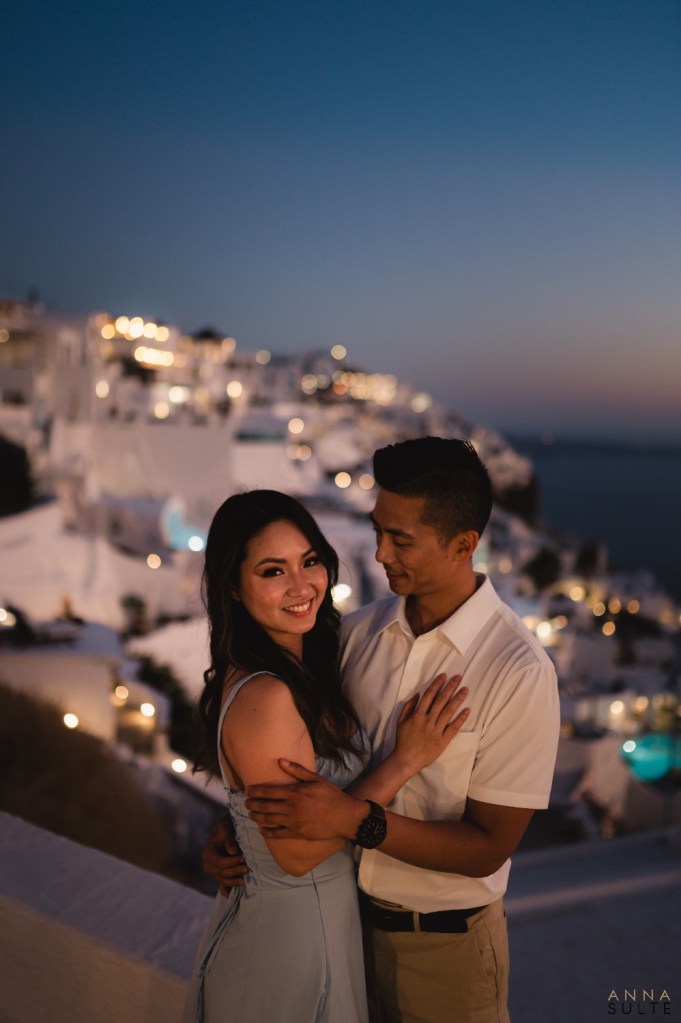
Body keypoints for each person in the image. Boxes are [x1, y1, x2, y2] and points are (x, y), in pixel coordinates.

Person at [205, 438, 560, 1023]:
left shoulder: (516, 671)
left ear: (463, 545)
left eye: (401, 540)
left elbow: (489, 847)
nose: (378, 554)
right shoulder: (355, 636)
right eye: (377, 531)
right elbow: (295, 761)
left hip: (442, 950)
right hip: (340, 929)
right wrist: (237, 828)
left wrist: (354, 820)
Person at [182, 489, 470, 1023]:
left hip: (311, 926)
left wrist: (235, 826)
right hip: (290, 944)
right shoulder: (267, 695)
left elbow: (271, 801)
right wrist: (404, 761)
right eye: (273, 571)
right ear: (233, 588)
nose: (302, 585)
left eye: (309, 560)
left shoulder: (305, 666)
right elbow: (295, 855)